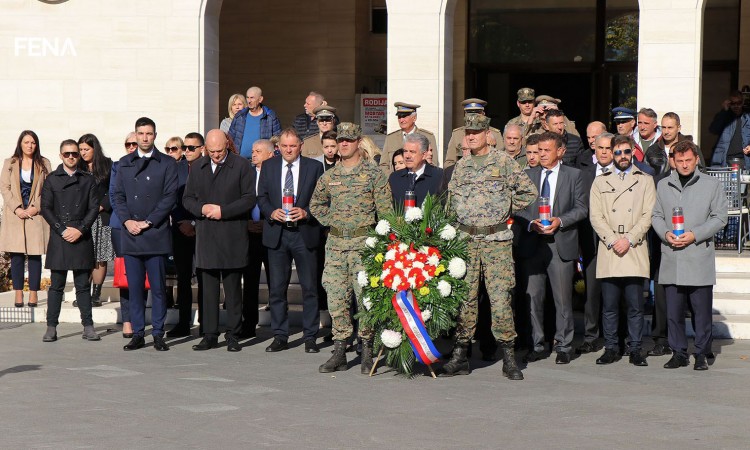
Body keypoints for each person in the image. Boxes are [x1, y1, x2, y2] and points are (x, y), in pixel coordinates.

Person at [441, 113, 537, 379]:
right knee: (465, 299)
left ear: (487, 135)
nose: (470, 137)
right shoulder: (461, 166)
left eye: (475, 133)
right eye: (467, 133)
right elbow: (451, 202)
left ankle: (508, 356)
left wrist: (504, 208)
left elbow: (528, 192)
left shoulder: (503, 162)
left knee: (500, 299)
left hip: (496, 242)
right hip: (467, 241)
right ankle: (460, 355)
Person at [310, 122, 393, 374]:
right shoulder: (329, 176)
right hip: (335, 246)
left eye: (348, 140)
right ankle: (339, 350)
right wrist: (331, 222)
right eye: (340, 140)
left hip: (363, 245)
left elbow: (386, 213)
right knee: (336, 299)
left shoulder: (373, 174)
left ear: (358, 142)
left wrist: (379, 241)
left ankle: (366, 349)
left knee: (365, 298)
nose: (343, 144)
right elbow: (316, 205)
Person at [652, 140, 728, 370]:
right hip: (672, 256)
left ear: (696, 159)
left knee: (701, 312)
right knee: (673, 312)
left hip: (698, 256)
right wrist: (665, 233)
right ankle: (678, 352)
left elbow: (720, 217)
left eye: (688, 160)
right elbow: (656, 215)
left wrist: (695, 234)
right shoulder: (663, 185)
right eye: (680, 160)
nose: (684, 165)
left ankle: (702, 353)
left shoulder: (711, 185)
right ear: (673, 161)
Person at [515, 131, 588, 365]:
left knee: (563, 299)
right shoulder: (528, 175)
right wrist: (530, 223)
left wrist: (560, 221)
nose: (541, 155)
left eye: (546, 150)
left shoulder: (574, 175)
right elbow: (518, 207)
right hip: (533, 244)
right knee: (533, 298)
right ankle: (537, 344)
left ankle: (564, 345)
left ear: (561, 151)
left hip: (560, 243)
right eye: (539, 150)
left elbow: (582, 208)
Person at [183, 129, 254, 352]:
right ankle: (209, 334)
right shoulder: (198, 167)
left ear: (227, 145)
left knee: (233, 289)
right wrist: (201, 208)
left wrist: (223, 211)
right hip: (206, 235)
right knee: (208, 289)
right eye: (211, 151)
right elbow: (187, 198)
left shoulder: (241, 165)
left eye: (219, 151)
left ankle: (233, 334)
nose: (215, 155)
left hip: (232, 234)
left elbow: (249, 198)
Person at [112, 117, 178, 352]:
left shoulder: (167, 163)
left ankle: (158, 333)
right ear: (136, 135)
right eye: (140, 133)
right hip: (131, 234)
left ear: (155, 135)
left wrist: (149, 221)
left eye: (149, 133)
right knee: (135, 288)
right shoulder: (124, 163)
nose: (145, 137)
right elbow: (117, 196)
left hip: (156, 232)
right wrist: (128, 221)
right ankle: (138, 332)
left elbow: (170, 197)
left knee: (159, 288)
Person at [589, 135, 655, 366]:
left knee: (635, 306)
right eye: (617, 152)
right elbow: (595, 216)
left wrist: (629, 239)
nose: (622, 156)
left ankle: (635, 348)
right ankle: (611, 348)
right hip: (610, 249)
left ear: (633, 152)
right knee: (609, 306)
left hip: (633, 248)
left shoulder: (645, 180)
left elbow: (648, 215)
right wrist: (612, 240)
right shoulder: (599, 182)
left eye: (626, 152)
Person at [258, 129, 324, 353]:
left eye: (292, 146)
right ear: (279, 147)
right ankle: (279, 335)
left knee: (310, 288)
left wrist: (306, 213)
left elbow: (321, 200)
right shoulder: (269, 166)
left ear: (300, 146)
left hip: (304, 233)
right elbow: (262, 196)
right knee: (277, 289)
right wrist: (270, 212)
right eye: (284, 146)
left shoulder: (314, 167)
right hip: (277, 233)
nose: (288, 150)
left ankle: (310, 336)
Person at [40, 139, 100, 342]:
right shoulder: (51, 180)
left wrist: (80, 229)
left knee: (83, 285)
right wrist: (62, 229)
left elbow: (93, 208)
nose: (71, 157)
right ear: (60, 156)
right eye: (67, 154)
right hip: (60, 235)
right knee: (56, 285)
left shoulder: (88, 179)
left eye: (74, 153)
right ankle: (51, 327)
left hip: (81, 235)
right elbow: (46, 208)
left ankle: (88, 326)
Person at [0, 130, 51, 308]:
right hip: (15, 215)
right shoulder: (10, 163)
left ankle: (34, 294)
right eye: (26, 142)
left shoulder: (44, 163)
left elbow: (48, 189)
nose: (30, 145)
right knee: (17, 256)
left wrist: (35, 207)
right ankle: (19, 293)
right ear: (20, 143)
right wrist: (16, 208)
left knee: (35, 255)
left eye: (33, 142)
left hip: (35, 215)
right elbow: (4, 188)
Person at [575, 132, 615, 354]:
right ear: (595, 151)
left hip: (618, 243)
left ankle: (617, 336)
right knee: (591, 292)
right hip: (591, 243)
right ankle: (591, 336)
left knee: (615, 292)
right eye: (600, 148)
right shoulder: (584, 175)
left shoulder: (623, 175)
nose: (604, 152)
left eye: (609, 148)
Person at [166, 132, 205, 337]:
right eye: (185, 148)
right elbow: (170, 195)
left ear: (202, 149)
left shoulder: (208, 167)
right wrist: (182, 221)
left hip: (204, 229)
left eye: (192, 148)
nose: (187, 152)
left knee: (205, 276)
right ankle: (183, 322)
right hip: (180, 228)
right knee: (182, 277)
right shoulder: (176, 168)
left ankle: (207, 322)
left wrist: (195, 222)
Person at [76, 133, 114, 308]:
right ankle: (83, 293)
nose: (83, 153)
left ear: (94, 148)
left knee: (100, 256)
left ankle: (96, 294)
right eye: (81, 149)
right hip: (83, 218)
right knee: (84, 256)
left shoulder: (107, 165)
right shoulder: (78, 167)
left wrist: (100, 206)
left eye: (86, 149)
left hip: (101, 217)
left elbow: (113, 191)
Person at [244, 139, 275, 335]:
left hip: (270, 230)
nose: (253, 154)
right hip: (249, 233)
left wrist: (267, 221)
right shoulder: (247, 174)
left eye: (258, 151)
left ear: (270, 154)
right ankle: (248, 324)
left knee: (276, 280)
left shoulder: (276, 174)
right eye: (253, 151)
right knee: (250, 280)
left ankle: (279, 325)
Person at [109, 132, 138, 337]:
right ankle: (128, 320)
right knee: (125, 275)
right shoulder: (117, 166)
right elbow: (113, 195)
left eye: (134, 143)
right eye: (128, 143)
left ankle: (139, 317)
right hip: (121, 226)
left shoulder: (154, 164)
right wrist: (128, 219)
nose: (131, 147)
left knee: (143, 275)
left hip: (145, 225)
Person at [388, 133, 444, 208]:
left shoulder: (439, 176)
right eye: (405, 151)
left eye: (412, 152)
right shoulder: (395, 178)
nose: (407, 156)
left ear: (424, 155)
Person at [444, 98, 503, 168]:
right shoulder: (457, 134)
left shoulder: (495, 134)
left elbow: (502, 162)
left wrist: (491, 146)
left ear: (483, 114)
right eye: (470, 113)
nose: (473, 117)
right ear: (465, 115)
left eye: (477, 113)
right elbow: (449, 163)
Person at [380, 102, 437, 173]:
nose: (401, 120)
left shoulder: (427, 137)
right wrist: (394, 178)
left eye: (404, 116)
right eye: (399, 117)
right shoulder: (391, 138)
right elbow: (383, 165)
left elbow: (433, 164)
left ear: (414, 118)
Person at [228, 86, 282, 160]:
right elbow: (230, 138)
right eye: (247, 97)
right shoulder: (239, 116)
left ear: (260, 99)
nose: (249, 101)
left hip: (263, 162)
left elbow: (278, 140)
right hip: (240, 161)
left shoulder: (270, 117)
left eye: (252, 98)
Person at [710, 90, 750, 167]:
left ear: (742, 103)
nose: (736, 106)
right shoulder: (725, 117)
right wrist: (724, 111)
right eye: (733, 103)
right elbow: (713, 129)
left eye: (738, 103)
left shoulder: (747, 117)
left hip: (744, 160)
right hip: (725, 160)